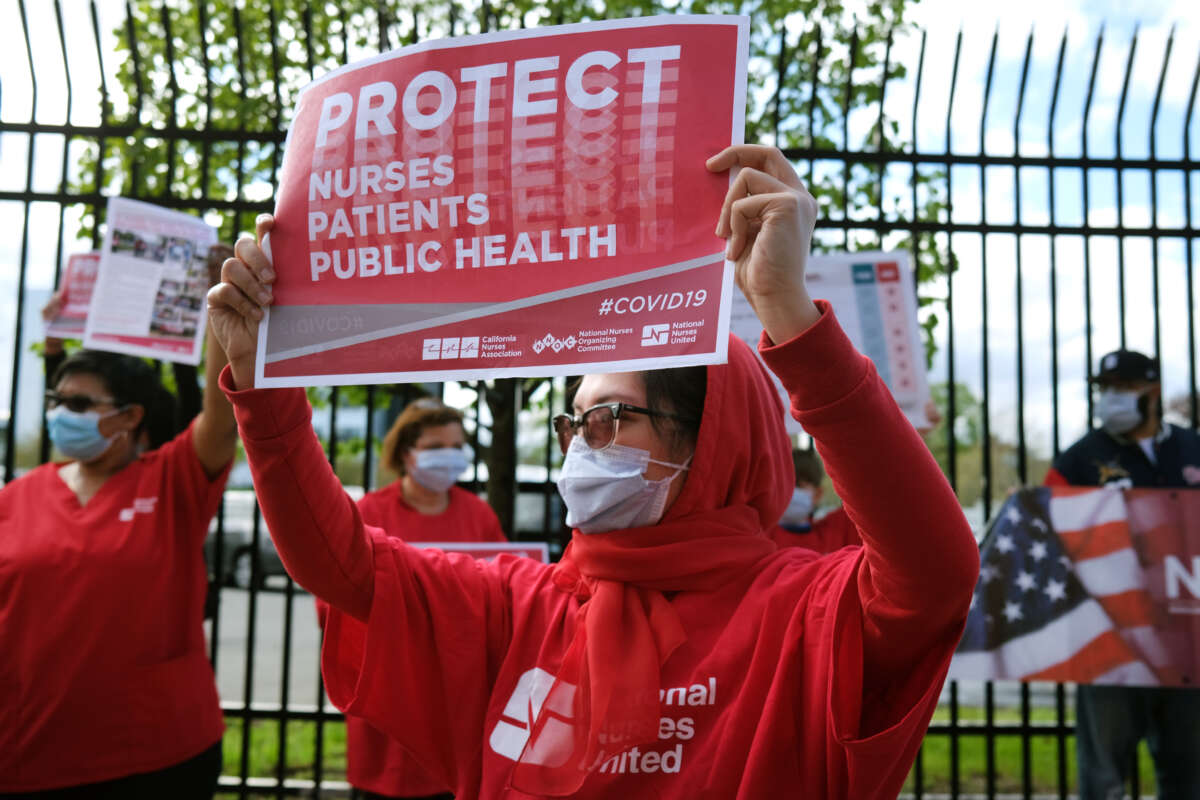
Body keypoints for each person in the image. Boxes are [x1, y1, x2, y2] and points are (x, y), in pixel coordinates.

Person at [207, 144, 979, 798]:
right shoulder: (524, 604)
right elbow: (339, 561)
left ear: (709, 441)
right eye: (573, 421)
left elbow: (936, 570)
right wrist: (261, 390)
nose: (580, 445)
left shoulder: (803, 610)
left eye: (609, 419)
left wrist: (786, 308)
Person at [0, 331, 237, 796]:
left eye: (81, 404)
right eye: (56, 401)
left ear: (130, 416)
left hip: (155, 757)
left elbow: (222, 417)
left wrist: (221, 319)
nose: (61, 414)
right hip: (30, 752)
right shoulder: (16, 498)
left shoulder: (172, 482)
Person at [1045, 348, 1200, 800]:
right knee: (1103, 780)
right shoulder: (1080, 458)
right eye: (1104, 389)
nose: (1111, 398)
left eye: (1123, 388)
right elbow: (1049, 531)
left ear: (1151, 391)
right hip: (1110, 641)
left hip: (1186, 641)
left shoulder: (1192, 447)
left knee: (1189, 776)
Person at [343, 398, 505, 800]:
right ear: (405, 453)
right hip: (392, 690)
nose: (449, 456)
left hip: (462, 695)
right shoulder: (368, 512)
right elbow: (337, 601)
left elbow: (506, 591)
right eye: (435, 448)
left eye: (457, 446)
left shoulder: (479, 514)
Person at [770, 447, 861, 553]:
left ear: (818, 494)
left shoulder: (835, 531)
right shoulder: (763, 539)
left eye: (798, 485)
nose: (790, 491)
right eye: (782, 485)